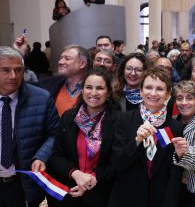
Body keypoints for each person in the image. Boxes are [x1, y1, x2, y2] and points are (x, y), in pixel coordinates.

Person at [109, 67, 183, 207]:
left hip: (160, 199)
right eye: (148, 87)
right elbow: (117, 163)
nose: (153, 93)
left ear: (168, 94)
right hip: (127, 197)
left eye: (160, 89)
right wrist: (136, 141)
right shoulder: (124, 120)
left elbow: (174, 173)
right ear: (141, 91)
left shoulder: (175, 127)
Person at [47, 69, 119, 207]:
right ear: (82, 90)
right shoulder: (68, 117)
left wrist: (92, 178)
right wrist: (75, 173)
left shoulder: (118, 121)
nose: (93, 93)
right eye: (89, 87)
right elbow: (56, 156)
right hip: (70, 190)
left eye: (100, 88)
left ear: (109, 92)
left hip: (102, 193)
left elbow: (116, 161)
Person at [0, 46, 59, 206]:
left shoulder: (41, 98)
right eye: (6, 70)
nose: (13, 76)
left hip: (22, 184)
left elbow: (55, 134)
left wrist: (41, 156)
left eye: (18, 70)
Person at [40, 45, 89, 117]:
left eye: (67, 59)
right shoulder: (49, 83)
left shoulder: (93, 88)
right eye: (61, 58)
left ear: (82, 64)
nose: (60, 62)